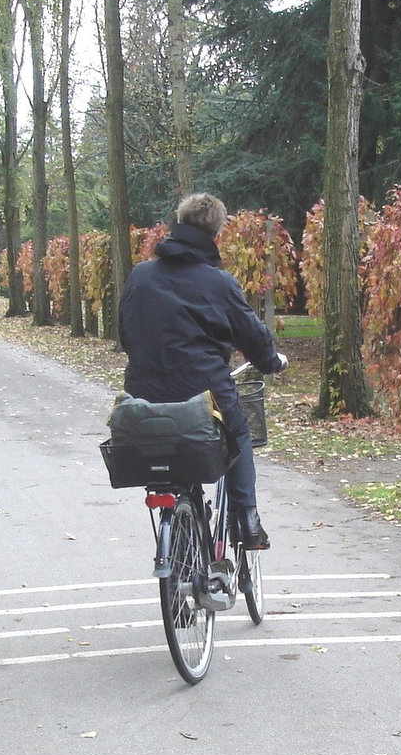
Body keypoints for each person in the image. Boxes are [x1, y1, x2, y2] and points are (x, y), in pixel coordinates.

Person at [117, 193, 288, 549]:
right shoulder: (219, 283)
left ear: (176, 224)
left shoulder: (141, 275)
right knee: (239, 435)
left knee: (174, 449)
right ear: (217, 234)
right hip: (205, 396)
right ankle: (248, 520)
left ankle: (184, 522)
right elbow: (253, 337)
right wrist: (272, 361)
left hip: (143, 394)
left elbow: (126, 332)